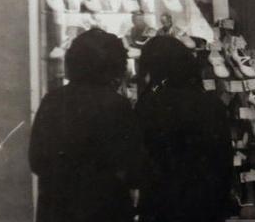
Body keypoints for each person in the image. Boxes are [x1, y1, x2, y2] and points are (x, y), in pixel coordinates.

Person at [29, 28, 144, 222]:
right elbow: (133, 169)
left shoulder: (52, 100)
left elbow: (37, 161)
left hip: (57, 208)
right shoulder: (116, 105)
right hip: (105, 209)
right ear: (114, 65)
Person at [134, 36, 233, 222]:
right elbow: (224, 158)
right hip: (205, 205)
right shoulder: (211, 103)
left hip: (163, 206)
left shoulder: (150, 104)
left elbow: (142, 161)